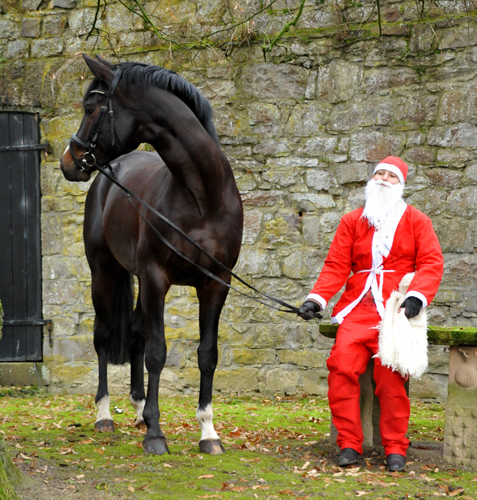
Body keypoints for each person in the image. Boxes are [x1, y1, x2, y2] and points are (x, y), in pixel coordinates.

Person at [298, 156, 444, 472]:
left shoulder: (417, 220)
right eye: (378, 173)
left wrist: (416, 297)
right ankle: (350, 444)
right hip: (357, 308)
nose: (382, 179)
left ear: (401, 184)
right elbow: (336, 264)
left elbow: (432, 262)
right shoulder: (352, 220)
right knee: (340, 366)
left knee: (390, 375)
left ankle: (395, 448)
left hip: (394, 310)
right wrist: (317, 300)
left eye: (390, 176)